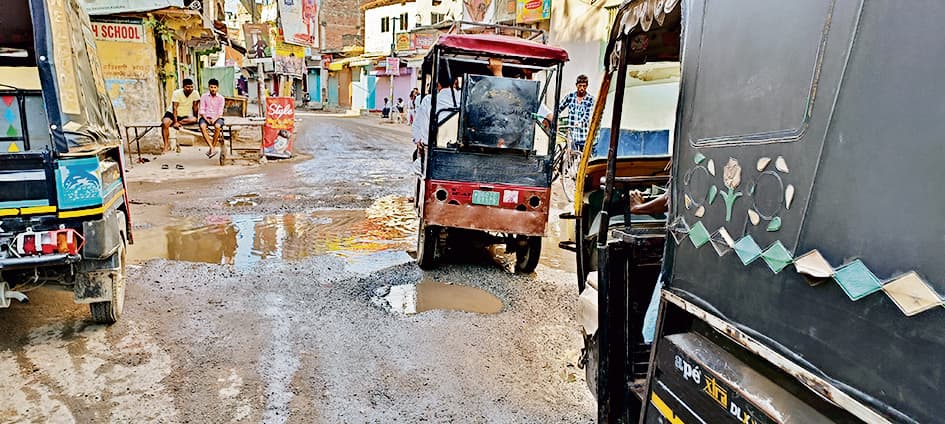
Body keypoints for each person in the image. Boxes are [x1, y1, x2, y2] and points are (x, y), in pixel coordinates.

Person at [160, 78, 200, 153]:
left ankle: (177, 122)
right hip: (172, 113)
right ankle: (166, 145)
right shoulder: (177, 93)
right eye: (188, 87)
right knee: (165, 123)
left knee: (194, 119)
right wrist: (175, 122)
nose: (190, 89)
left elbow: (195, 107)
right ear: (183, 87)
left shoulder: (195, 93)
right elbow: (174, 108)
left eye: (191, 87)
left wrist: (196, 118)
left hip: (184, 115)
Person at [558, 74, 595, 150]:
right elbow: (559, 108)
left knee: (583, 156)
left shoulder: (590, 99)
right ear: (576, 85)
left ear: (587, 86)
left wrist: (580, 122)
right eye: (580, 86)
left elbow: (588, 115)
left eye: (584, 86)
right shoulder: (570, 97)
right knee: (571, 157)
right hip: (571, 134)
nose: (582, 88)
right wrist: (556, 119)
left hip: (583, 135)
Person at [199, 78, 226, 159]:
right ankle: (212, 147)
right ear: (208, 87)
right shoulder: (204, 96)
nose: (213, 89)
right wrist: (206, 119)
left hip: (217, 117)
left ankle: (212, 147)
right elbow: (202, 109)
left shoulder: (221, 98)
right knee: (202, 126)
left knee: (217, 126)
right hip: (205, 117)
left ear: (217, 88)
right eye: (211, 87)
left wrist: (214, 119)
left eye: (214, 87)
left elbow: (220, 112)